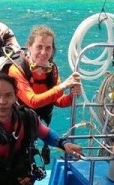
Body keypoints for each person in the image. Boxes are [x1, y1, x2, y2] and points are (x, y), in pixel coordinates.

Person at [7, 25, 82, 163]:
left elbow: (58, 100)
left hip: (35, 125)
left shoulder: (52, 70)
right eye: (39, 47)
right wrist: (63, 86)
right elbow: (32, 101)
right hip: (12, 126)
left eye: (48, 48)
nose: (43, 52)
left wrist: (72, 96)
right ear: (29, 47)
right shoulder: (16, 69)